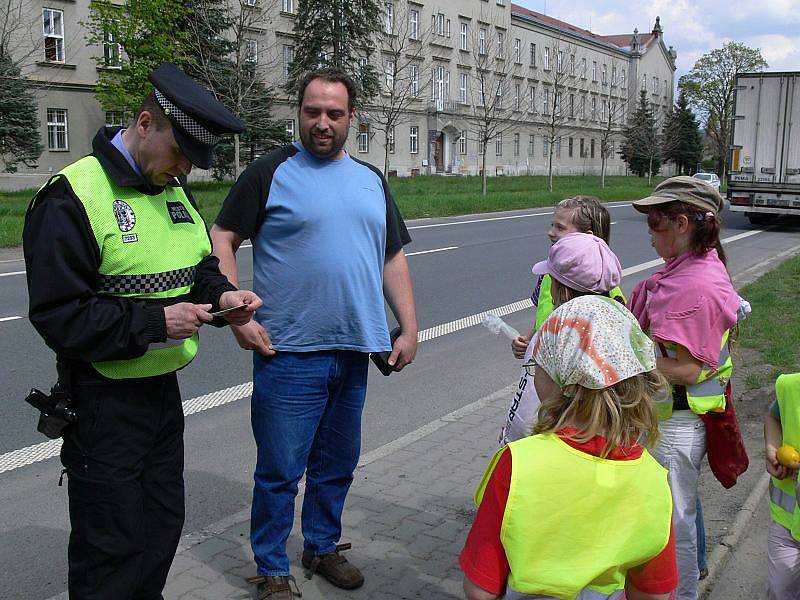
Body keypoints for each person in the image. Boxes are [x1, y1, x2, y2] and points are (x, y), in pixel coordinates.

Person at [22, 62, 261, 600]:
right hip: (102, 400)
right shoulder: (72, 196)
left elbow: (198, 265)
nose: (182, 171)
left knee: (159, 530)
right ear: (146, 122)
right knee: (111, 548)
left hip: (160, 396)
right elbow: (60, 316)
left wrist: (221, 295)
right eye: (179, 153)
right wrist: (156, 322)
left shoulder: (171, 188)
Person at [210, 68, 418, 600]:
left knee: (337, 464)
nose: (322, 123)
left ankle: (322, 546)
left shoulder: (372, 179)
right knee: (280, 470)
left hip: (354, 347)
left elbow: (392, 254)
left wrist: (410, 325)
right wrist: (237, 316)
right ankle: (272, 569)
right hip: (287, 351)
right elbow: (223, 236)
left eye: (334, 113)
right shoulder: (270, 170)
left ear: (352, 119)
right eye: (312, 112)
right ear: (298, 112)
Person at [461, 294, 678, 600]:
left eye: (539, 368)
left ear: (563, 382)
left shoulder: (517, 463)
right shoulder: (652, 478)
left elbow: (480, 589)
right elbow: (654, 593)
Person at [628, 176, 741, 600]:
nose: (649, 230)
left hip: (676, 425)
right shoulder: (684, 272)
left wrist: (626, 361)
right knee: (670, 517)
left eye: (655, 221)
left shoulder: (696, 284)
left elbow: (691, 369)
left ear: (681, 223)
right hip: (667, 420)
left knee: (676, 523)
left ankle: (682, 594)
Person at [501, 211, 624, 444]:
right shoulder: (615, 312)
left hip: (558, 434)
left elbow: (532, 406)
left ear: (561, 286)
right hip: (594, 435)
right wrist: (529, 339)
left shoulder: (560, 336)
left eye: (560, 227)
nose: (551, 232)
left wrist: (513, 439)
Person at [764, 373, 800, 599]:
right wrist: (772, 447)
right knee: (780, 592)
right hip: (786, 523)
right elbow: (773, 416)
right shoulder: (791, 386)